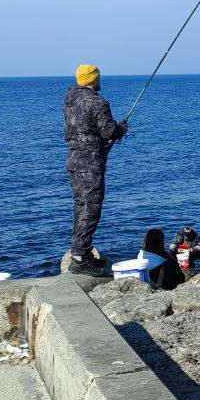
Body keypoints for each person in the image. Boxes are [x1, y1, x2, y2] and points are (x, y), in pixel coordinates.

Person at [64, 64, 128, 275]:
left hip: (74, 160)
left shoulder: (70, 100)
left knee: (80, 206)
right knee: (91, 208)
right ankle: (80, 258)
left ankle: (81, 251)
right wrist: (121, 129)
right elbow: (108, 131)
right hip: (90, 163)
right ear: (93, 79)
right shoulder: (97, 102)